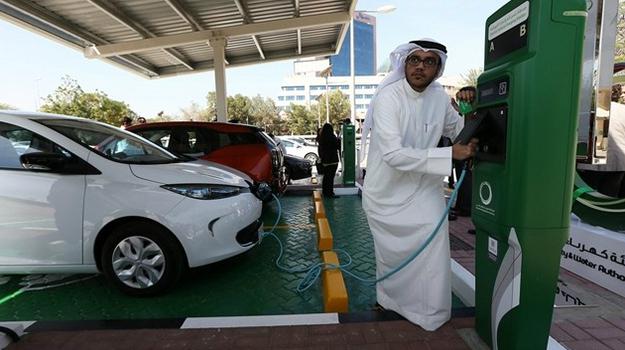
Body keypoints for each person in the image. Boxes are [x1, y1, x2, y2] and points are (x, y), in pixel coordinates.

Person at [361, 39, 477, 331]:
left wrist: (473, 106)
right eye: (415, 60)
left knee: (433, 252)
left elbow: (462, 130)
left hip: (424, 188)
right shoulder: (389, 97)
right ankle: (390, 301)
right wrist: (450, 154)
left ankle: (430, 315)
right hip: (385, 194)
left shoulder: (439, 98)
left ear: (438, 69)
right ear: (404, 64)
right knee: (391, 258)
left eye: (429, 62)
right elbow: (393, 155)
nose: (420, 67)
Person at [318, 123, 341, 198]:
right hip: (333, 160)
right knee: (331, 178)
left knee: (326, 177)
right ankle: (330, 193)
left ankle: (325, 192)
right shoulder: (333, 137)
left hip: (325, 161)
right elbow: (338, 146)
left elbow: (320, 149)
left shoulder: (321, 138)